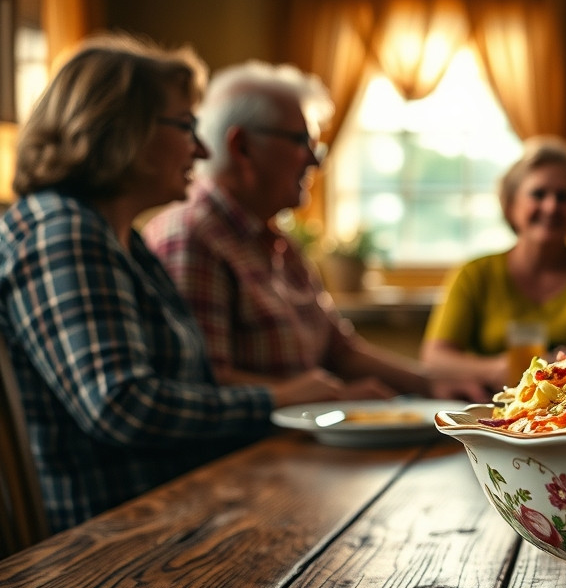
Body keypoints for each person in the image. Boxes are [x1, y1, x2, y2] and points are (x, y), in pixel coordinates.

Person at [0, 36, 348, 531]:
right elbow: (120, 406)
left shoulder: (121, 239)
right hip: (111, 540)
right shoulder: (62, 231)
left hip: (168, 513)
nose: (202, 148)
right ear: (122, 129)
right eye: (186, 126)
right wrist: (277, 398)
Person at [143, 62, 482, 402]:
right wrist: (317, 397)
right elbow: (202, 383)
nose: (316, 160)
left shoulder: (278, 241)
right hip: (252, 451)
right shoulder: (192, 239)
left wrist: (429, 384)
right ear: (242, 146)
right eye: (302, 141)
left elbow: (342, 351)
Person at [421, 137, 566, 390]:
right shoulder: (474, 274)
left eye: (564, 196)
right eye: (538, 194)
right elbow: (435, 359)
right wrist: (499, 368)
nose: (551, 206)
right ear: (511, 204)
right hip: (492, 409)